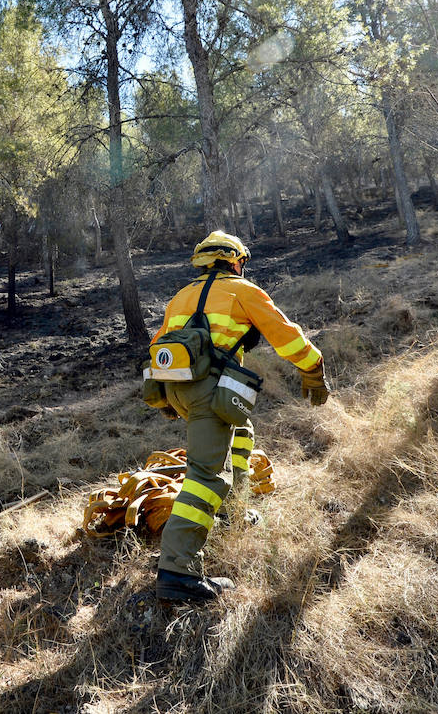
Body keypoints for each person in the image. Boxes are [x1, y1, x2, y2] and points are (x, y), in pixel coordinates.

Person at [151, 231, 329, 604]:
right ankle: (177, 572)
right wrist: (313, 368)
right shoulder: (242, 290)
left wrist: (170, 399)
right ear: (235, 261)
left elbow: (157, 348)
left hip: (180, 389)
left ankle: (232, 513)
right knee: (205, 476)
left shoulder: (180, 296)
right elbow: (285, 335)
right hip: (210, 392)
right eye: (241, 263)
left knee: (242, 432)